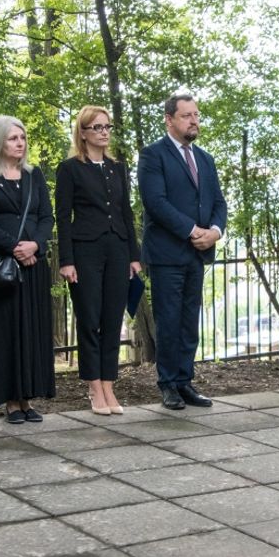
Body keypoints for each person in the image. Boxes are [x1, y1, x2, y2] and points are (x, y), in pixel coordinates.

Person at [138, 93, 227, 410]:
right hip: (166, 253)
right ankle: (168, 385)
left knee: (190, 322)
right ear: (169, 119)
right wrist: (193, 231)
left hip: (197, 254)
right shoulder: (153, 156)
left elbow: (218, 202)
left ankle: (185, 381)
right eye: (187, 115)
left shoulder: (205, 158)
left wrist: (214, 232)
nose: (194, 121)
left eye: (196, 115)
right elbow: (156, 203)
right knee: (169, 321)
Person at [56, 106, 142, 415]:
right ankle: (94, 386)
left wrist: (134, 255)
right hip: (85, 251)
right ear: (83, 133)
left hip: (117, 249)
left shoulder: (117, 167)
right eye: (97, 127)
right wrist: (66, 261)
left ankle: (109, 383)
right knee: (90, 320)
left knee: (112, 319)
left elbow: (126, 212)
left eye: (107, 126)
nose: (104, 132)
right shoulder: (69, 169)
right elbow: (63, 217)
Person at [0, 116, 55, 422]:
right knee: (5, 331)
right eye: (12, 138)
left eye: (22, 137)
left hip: (34, 263)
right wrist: (14, 247)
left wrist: (35, 245)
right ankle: (9, 400)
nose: (19, 143)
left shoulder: (35, 176)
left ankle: (27, 398)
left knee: (31, 330)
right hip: (3, 266)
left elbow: (47, 217)